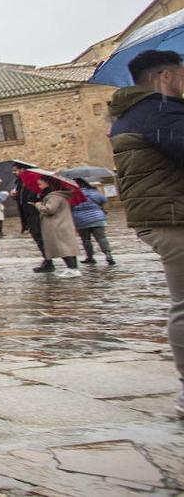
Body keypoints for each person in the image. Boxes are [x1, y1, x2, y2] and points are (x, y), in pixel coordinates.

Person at [109, 49, 184, 419]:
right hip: (173, 217)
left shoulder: (132, 115)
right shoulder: (158, 113)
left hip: (161, 216)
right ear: (165, 77)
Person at [37, 178, 82, 278]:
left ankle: (72, 268)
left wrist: (38, 205)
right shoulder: (60, 196)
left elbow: (49, 210)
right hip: (63, 224)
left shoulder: (54, 196)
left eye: (40, 184)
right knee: (68, 248)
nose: (39, 186)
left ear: (47, 183)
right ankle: (73, 268)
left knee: (64, 249)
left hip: (58, 226)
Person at [12, 162, 50, 272]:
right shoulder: (21, 182)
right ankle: (47, 260)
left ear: (23, 169)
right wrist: (15, 195)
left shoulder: (33, 180)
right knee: (39, 239)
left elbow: (35, 197)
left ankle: (49, 261)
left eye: (16, 170)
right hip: (29, 215)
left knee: (42, 239)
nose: (14, 172)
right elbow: (23, 199)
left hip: (35, 214)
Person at [72, 178, 115, 265]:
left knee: (86, 240)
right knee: (102, 238)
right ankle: (108, 255)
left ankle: (90, 257)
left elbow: (69, 207)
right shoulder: (94, 193)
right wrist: (104, 211)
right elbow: (105, 201)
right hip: (97, 219)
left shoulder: (73, 195)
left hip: (81, 220)